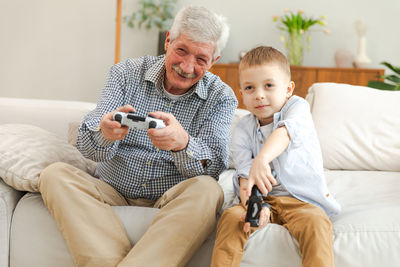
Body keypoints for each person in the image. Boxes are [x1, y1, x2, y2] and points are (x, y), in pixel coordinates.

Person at [38, 6, 237, 267]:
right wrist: (105, 133)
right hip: (110, 189)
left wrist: (183, 144)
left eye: (201, 59)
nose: (187, 67)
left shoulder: (221, 97)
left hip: (171, 198)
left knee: (209, 191)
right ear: (168, 41)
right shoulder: (125, 73)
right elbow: (87, 145)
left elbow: (214, 166)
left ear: (214, 60)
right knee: (54, 175)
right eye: (181, 51)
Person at [210, 46, 341, 267]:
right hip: (262, 199)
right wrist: (253, 205)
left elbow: (285, 132)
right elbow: (244, 175)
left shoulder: (297, 108)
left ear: (288, 89)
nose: (259, 94)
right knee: (232, 219)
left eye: (269, 85)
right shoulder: (243, 128)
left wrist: (261, 160)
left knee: (317, 224)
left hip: (301, 200)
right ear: (242, 94)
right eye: (250, 88)